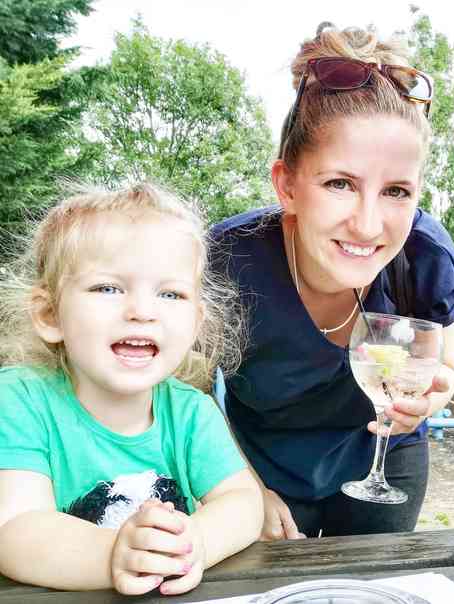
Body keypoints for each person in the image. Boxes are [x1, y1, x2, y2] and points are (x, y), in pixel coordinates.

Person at [211, 23, 454, 540]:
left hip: (386, 458)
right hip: (259, 469)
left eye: (397, 191)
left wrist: (428, 401)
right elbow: (188, 398)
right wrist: (241, 489)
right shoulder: (228, 261)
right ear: (287, 184)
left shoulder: (426, 255)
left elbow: (443, 365)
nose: (368, 224)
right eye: (340, 184)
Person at [0, 183, 263, 595]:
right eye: (108, 288)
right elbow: (14, 528)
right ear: (50, 314)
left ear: (195, 323)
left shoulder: (191, 411)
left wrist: (196, 544)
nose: (142, 312)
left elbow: (243, 501)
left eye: (170, 293)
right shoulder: (20, 400)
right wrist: (115, 553)